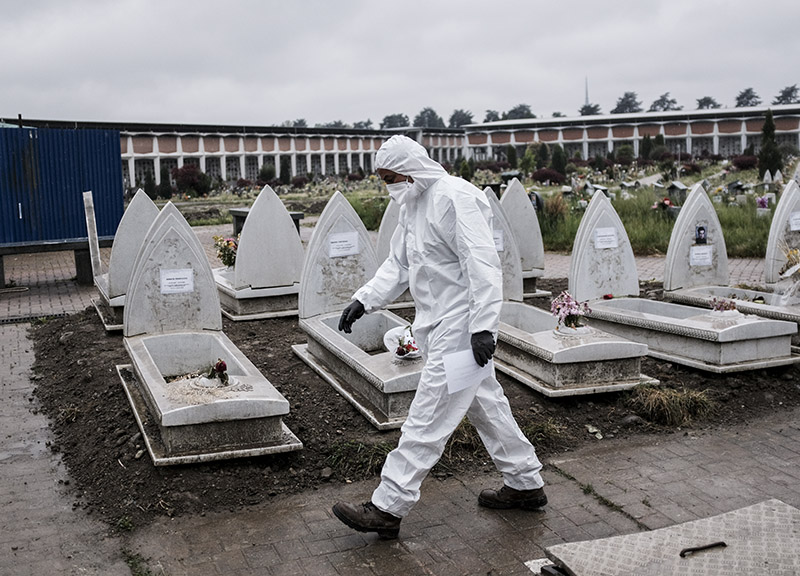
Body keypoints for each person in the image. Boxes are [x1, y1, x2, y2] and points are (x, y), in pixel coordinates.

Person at [332, 135, 546, 540]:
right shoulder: (411, 207)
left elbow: (481, 262)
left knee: (426, 417)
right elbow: (398, 264)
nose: (388, 185)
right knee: (487, 406)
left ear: (411, 168)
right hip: (436, 325)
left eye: (390, 176)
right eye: (382, 179)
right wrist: (364, 299)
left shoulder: (455, 197)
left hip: (463, 329)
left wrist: (484, 326)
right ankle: (525, 483)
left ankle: (387, 505)